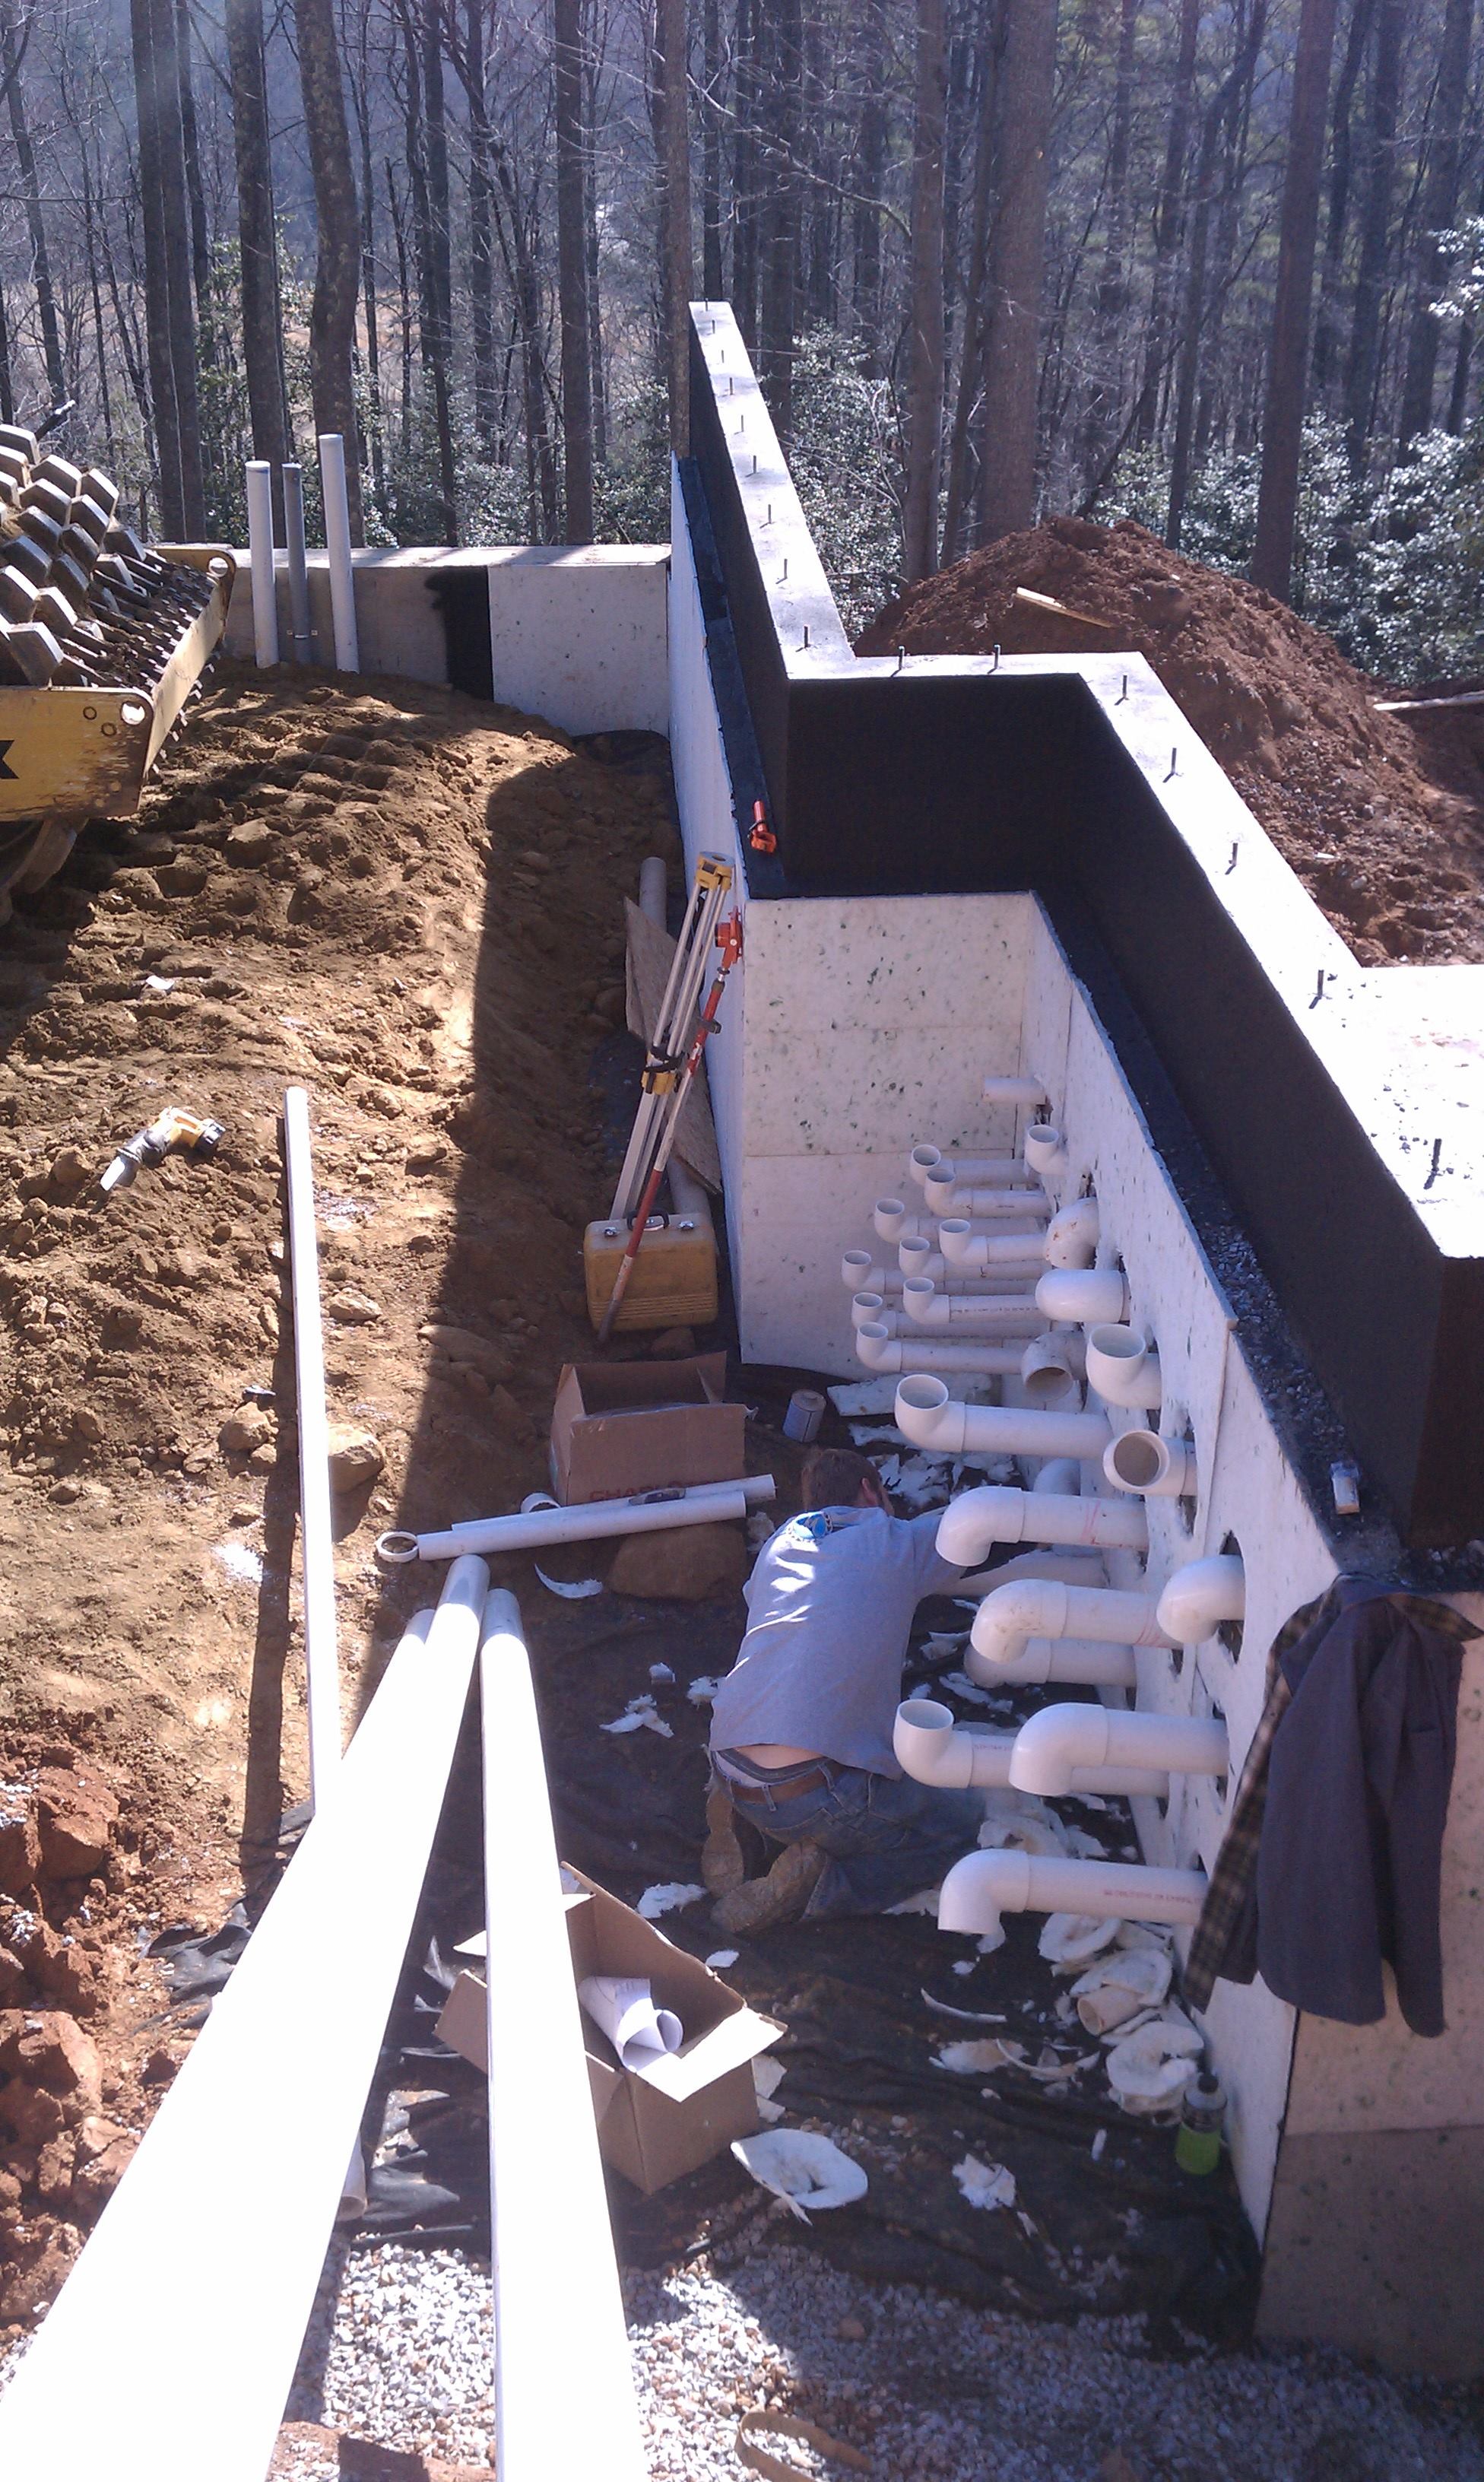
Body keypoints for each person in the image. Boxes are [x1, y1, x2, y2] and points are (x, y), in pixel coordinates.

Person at [703, 1446, 985, 1935]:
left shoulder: (780, 1544)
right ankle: (820, 1888)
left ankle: (741, 1821)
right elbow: (979, 1526)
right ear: (870, 1492)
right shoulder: (893, 1538)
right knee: (957, 1827)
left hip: (725, 1759)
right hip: (811, 1790)